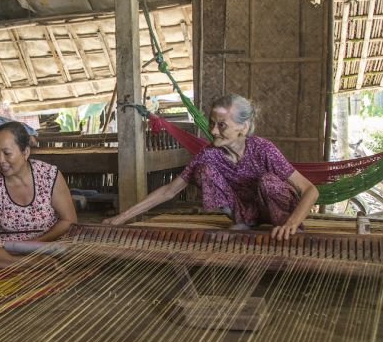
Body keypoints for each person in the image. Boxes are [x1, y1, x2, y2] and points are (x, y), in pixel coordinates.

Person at [104, 94, 319, 241]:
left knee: (268, 182)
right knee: (204, 170)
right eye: (212, 123)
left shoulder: (263, 149)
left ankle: (283, 228)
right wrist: (120, 219)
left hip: (279, 214)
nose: (213, 131)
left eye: (222, 125)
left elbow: (311, 190)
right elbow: (170, 190)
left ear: (243, 127)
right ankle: (242, 223)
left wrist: (291, 222)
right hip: (246, 214)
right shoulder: (209, 154)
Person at [0, 121, 78, 270]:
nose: (0, 160)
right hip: (9, 244)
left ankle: (19, 260)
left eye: (7, 153)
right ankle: (29, 263)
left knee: (70, 249)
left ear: (25, 152)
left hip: (48, 241)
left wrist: (35, 243)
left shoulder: (49, 175)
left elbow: (69, 220)